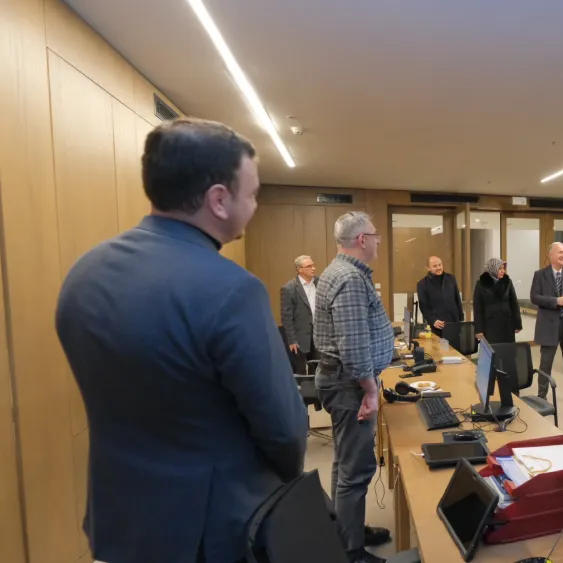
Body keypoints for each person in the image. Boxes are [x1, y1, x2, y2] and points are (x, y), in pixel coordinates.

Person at [55, 118, 308, 563]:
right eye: (252, 194)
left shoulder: (83, 274)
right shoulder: (233, 290)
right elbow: (284, 431)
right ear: (219, 199)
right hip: (211, 531)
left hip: (120, 521)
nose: (254, 206)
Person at [314, 211, 395, 563]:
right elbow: (353, 347)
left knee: (344, 464)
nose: (378, 241)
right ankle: (351, 552)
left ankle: (347, 531)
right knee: (355, 471)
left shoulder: (343, 272)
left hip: (344, 383)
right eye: (375, 235)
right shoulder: (348, 278)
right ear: (362, 240)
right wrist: (371, 391)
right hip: (350, 387)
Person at [531, 242, 563, 402]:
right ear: (551, 254)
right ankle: (542, 395)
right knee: (546, 363)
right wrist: (556, 301)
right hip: (549, 326)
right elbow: (535, 297)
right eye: (560, 252)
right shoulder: (540, 275)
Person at [281, 254, 319, 374]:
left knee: (318, 370)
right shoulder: (289, 288)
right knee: (301, 371)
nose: (313, 268)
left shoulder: (320, 283)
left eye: (313, 265)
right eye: (309, 266)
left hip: (319, 336)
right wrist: (292, 340)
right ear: (299, 269)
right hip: (300, 338)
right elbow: (287, 317)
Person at [473, 257, 522, 344]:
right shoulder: (481, 284)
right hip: (490, 325)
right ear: (493, 269)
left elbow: (514, 304)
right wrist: (478, 329)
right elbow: (478, 308)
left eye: (503, 268)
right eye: (500, 268)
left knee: (508, 350)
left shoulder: (507, 282)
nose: (503, 271)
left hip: (507, 324)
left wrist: (517, 324)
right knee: (493, 350)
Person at [416, 255, 463, 337]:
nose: (438, 268)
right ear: (429, 268)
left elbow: (457, 299)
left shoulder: (451, 278)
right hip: (437, 326)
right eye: (435, 266)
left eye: (440, 265)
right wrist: (433, 320)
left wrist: (461, 318)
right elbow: (424, 307)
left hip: (454, 323)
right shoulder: (422, 284)